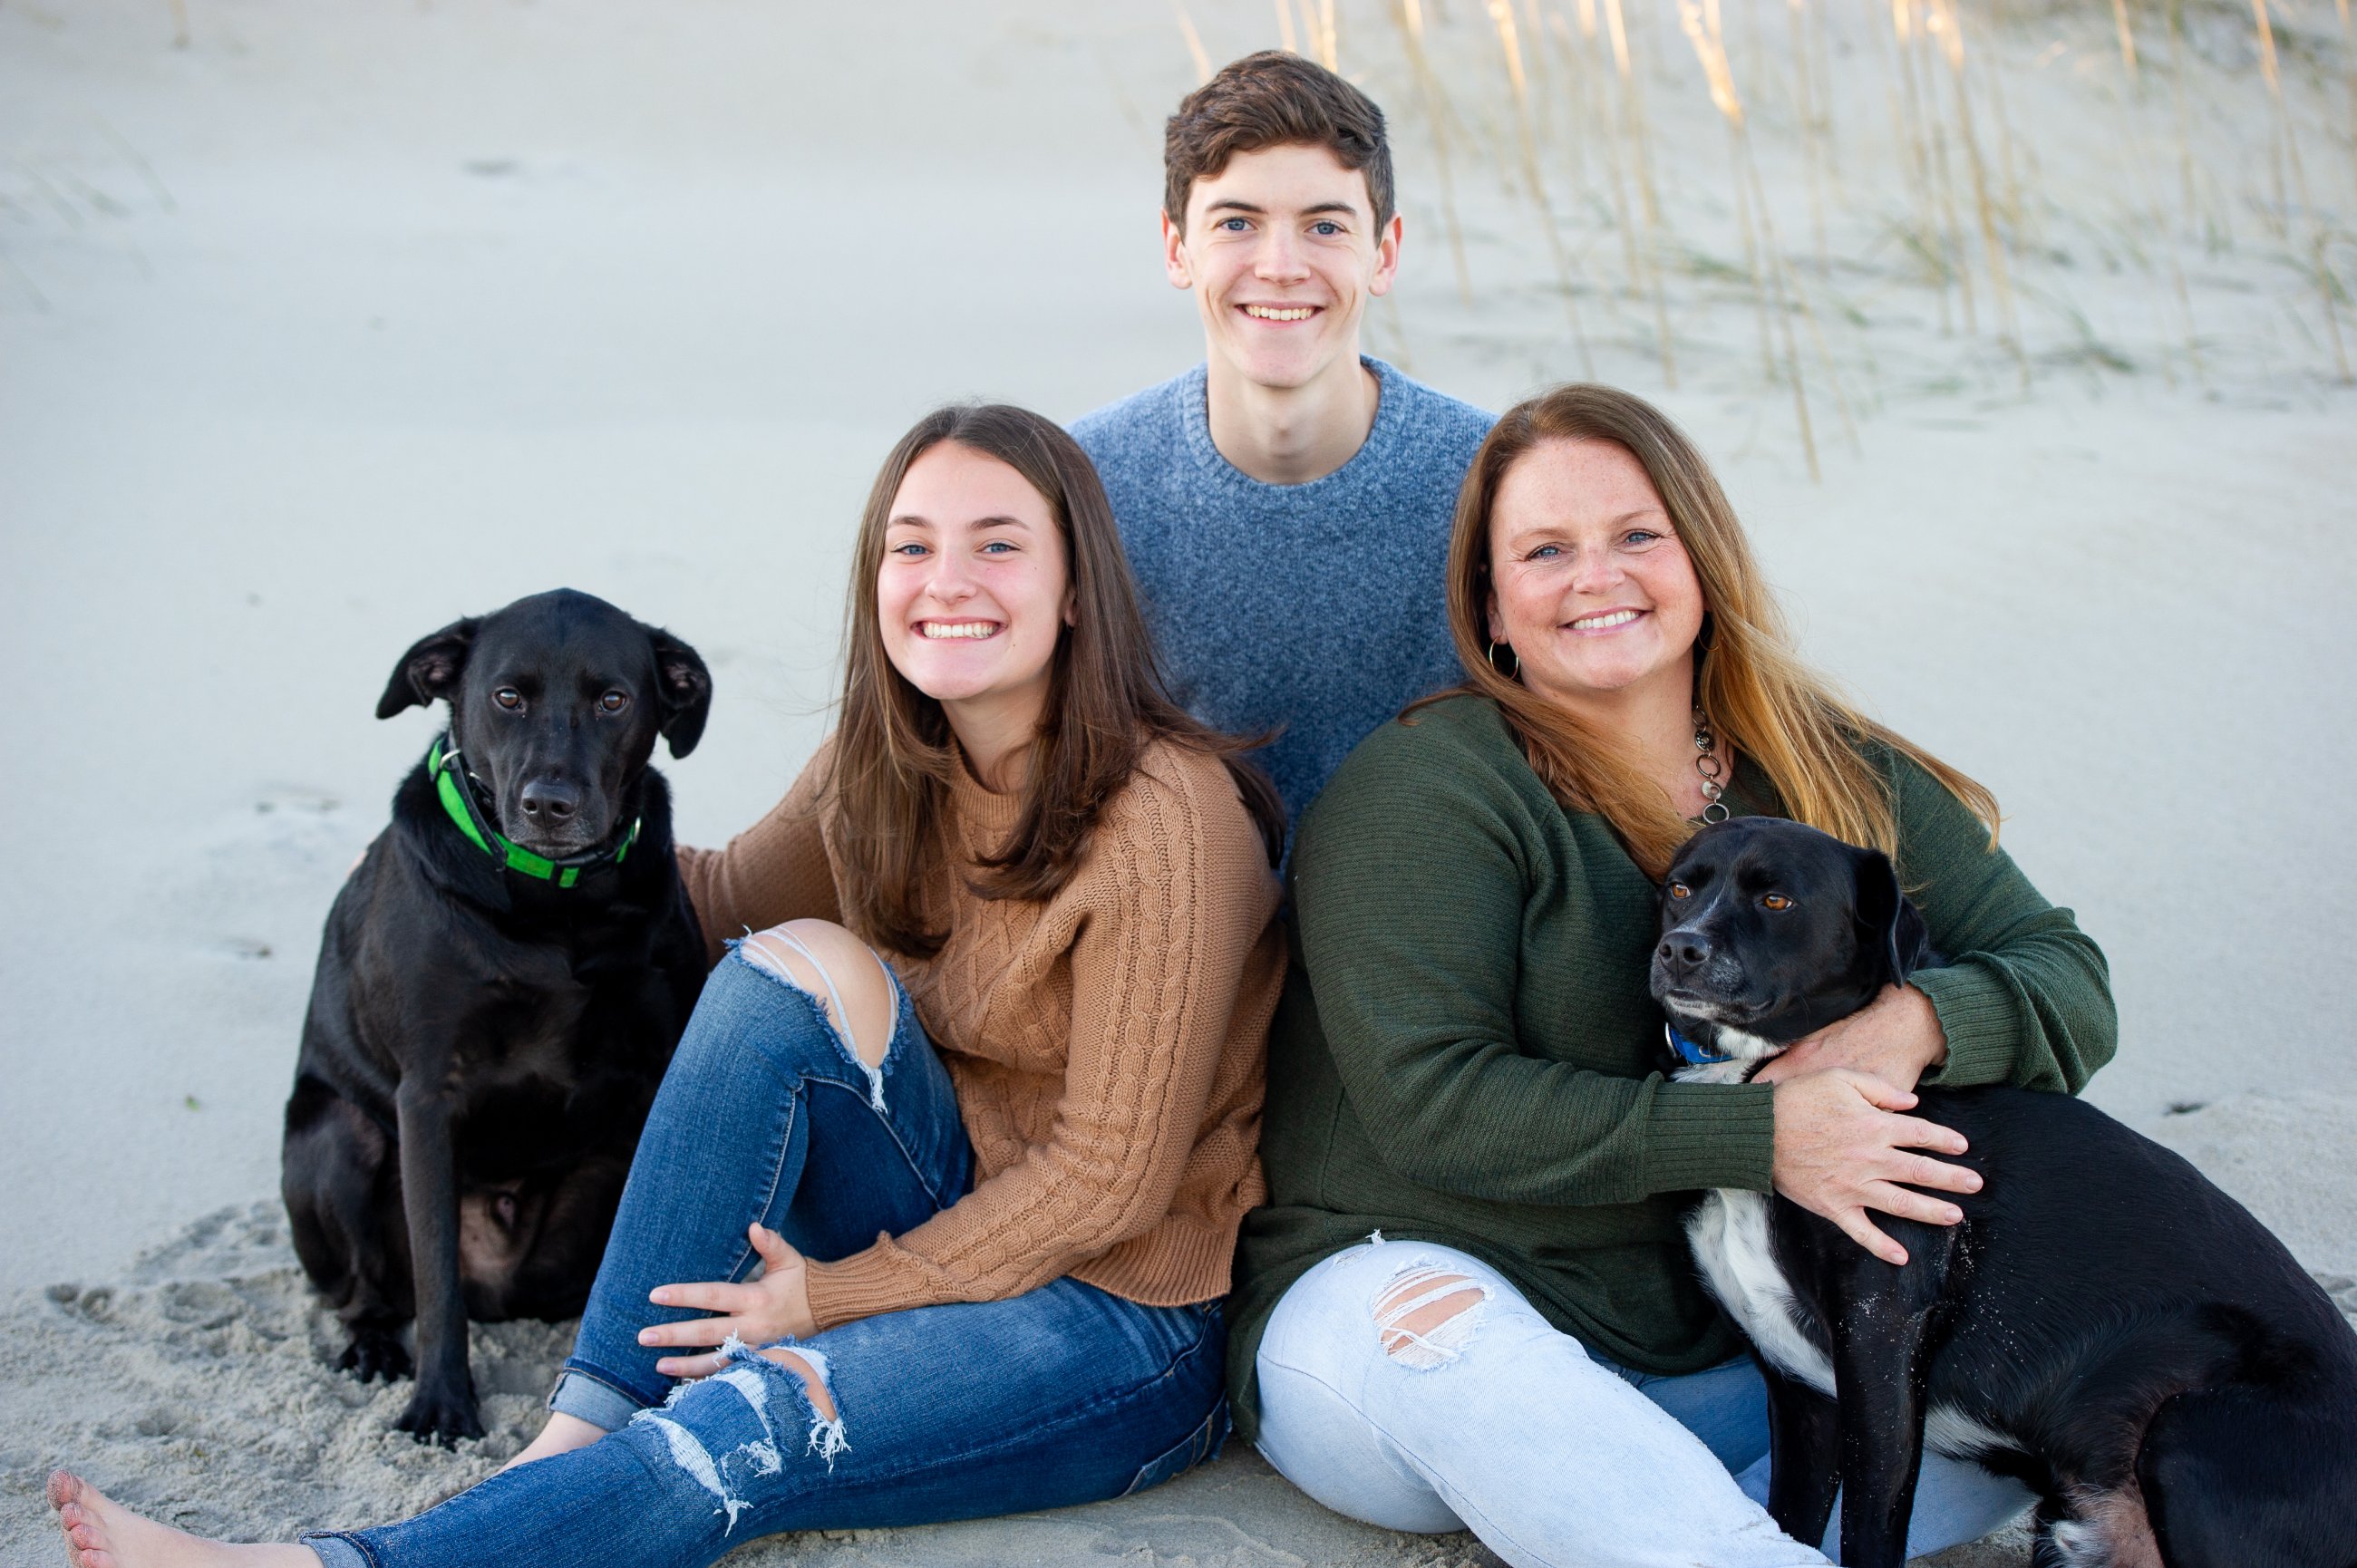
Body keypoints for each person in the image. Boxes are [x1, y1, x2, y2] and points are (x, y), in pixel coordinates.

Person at [48, 404, 1288, 1568]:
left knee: (755, 1416)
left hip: (1117, 1318)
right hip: (941, 1193)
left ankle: (327, 1565)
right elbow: (700, 900)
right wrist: (448, 877)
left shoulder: (1164, 820)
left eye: (998, 544)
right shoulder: (883, 766)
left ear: (1077, 591)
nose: (947, 579)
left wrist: (829, 1296)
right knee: (777, 970)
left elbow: (1106, 1180)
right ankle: (581, 1431)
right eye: (912, 544)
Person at [1227, 383, 2119, 1564]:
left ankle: (1665, 1517)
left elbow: (2067, 978)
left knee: (2049, 1401)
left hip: (1723, 1354)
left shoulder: (1823, 765)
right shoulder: (1427, 789)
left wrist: (1915, 1022)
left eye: (1637, 535)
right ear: (1492, 606)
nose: (1598, 576)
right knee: (1466, 1354)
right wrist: (1766, 1134)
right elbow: (1434, 1103)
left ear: (1701, 557)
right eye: (1545, 550)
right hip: (1406, 1315)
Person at [1072, 51, 1493, 825]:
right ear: (1176, 249)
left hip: (1425, 905)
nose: (1280, 266)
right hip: (1172, 903)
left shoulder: (1494, 481)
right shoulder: (1080, 484)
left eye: (1325, 226)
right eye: (1237, 223)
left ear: (1385, 253)